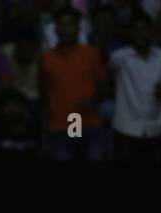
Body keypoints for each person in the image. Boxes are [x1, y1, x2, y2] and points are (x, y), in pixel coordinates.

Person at [39, 5, 107, 161]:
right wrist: (44, 134)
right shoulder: (46, 58)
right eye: (61, 24)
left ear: (78, 28)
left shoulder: (92, 54)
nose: (65, 29)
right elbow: (43, 95)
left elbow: (104, 88)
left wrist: (93, 100)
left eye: (70, 24)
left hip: (89, 124)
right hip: (60, 126)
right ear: (55, 29)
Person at [108, 11, 161, 161]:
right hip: (126, 128)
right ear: (131, 33)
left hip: (155, 129)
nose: (141, 34)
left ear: (151, 32)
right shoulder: (120, 57)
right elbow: (103, 72)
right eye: (137, 30)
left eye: (144, 29)